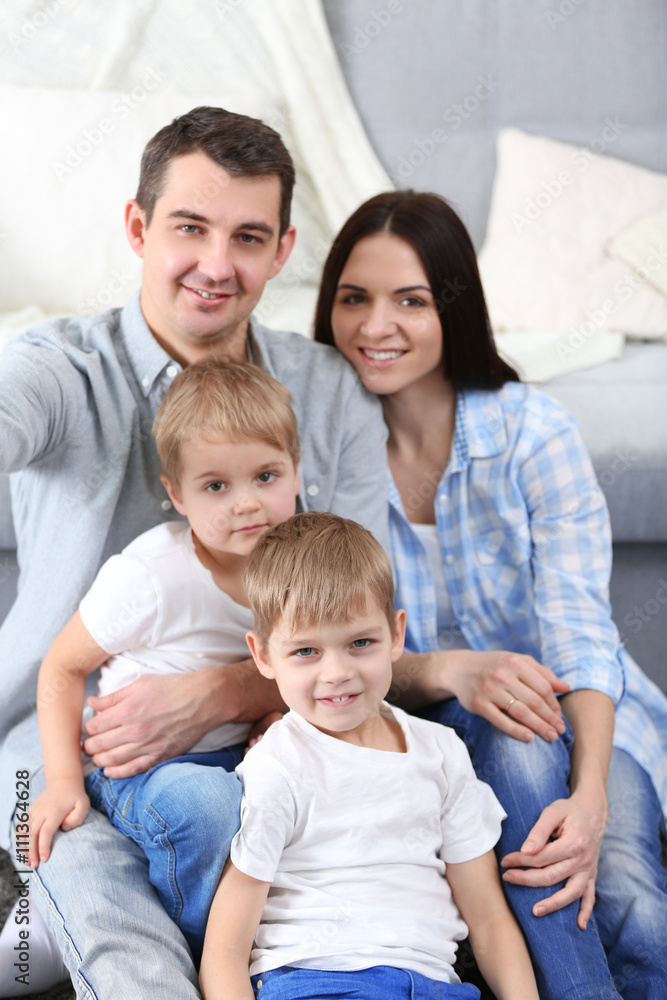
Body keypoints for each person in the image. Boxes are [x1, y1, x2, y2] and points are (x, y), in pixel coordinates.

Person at [0, 106, 387, 998]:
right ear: (138, 229)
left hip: (267, 725)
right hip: (54, 734)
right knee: (86, 872)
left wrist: (222, 688)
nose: (217, 266)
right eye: (189, 229)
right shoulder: (64, 369)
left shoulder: (327, 395)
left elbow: (366, 607)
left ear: (283, 249)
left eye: (247, 237)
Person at [314, 190, 667, 1000]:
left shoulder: (533, 435)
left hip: (574, 719)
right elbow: (333, 648)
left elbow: (581, 638)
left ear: (454, 308)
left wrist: (588, 800)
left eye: (410, 300)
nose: (376, 326)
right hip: (412, 732)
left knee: (627, 898)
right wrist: (446, 672)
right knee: (504, 750)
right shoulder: (330, 457)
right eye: (354, 299)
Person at [198, 511, 540, 1000]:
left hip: (434, 985)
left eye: (361, 643)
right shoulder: (279, 764)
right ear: (264, 655)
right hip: (318, 980)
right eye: (306, 652)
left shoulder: (441, 752)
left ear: (396, 635)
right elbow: (226, 948)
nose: (337, 672)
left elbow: (487, 917)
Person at [28, 359, 301, 964]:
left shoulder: (301, 567)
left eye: (265, 475)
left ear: (296, 471)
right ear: (176, 493)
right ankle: (212, 949)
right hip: (147, 767)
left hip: (242, 757)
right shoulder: (152, 574)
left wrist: (273, 722)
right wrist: (63, 781)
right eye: (215, 486)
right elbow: (62, 667)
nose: (246, 505)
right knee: (205, 807)